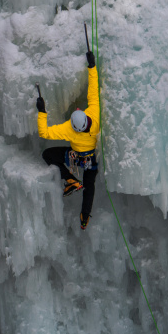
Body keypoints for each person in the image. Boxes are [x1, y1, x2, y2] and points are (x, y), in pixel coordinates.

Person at [36, 50, 100, 230]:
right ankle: (84, 217)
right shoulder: (94, 114)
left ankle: (70, 179)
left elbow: (45, 133)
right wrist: (92, 66)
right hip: (90, 160)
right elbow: (93, 90)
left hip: (74, 157)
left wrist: (41, 111)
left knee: (48, 154)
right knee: (89, 186)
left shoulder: (69, 129)